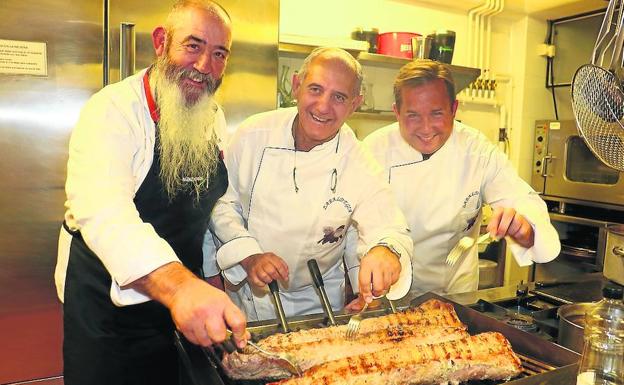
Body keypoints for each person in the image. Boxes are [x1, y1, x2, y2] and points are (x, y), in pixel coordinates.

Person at [54, 2, 248, 384]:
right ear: (161, 42)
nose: (205, 66)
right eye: (192, 46)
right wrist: (181, 287)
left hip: (179, 302)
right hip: (109, 307)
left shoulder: (212, 115)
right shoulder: (112, 110)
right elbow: (106, 212)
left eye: (219, 54)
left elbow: (205, 205)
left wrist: (211, 274)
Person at [209, 47, 413, 321]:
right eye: (315, 89)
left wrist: (385, 249)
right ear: (296, 86)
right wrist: (248, 255)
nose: (323, 106)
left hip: (318, 305)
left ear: (355, 103)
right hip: (248, 301)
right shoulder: (253, 134)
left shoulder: (358, 160)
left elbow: (386, 222)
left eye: (339, 97)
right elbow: (223, 204)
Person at [363, 59, 560, 296]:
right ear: (396, 112)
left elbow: (519, 197)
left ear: (454, 109)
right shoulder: (373, 151)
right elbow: (356, 227)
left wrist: (524, 228)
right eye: (413, 116)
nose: (426, 129)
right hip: (388, 293)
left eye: (436, 114)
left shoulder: (477, 151)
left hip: (456, 295)